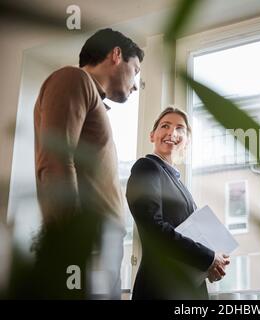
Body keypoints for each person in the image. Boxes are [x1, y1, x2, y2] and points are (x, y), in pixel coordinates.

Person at [33, 28, 144, 299]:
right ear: (116, 55)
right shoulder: (74, 78)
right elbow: (56, 162)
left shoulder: (92, 97)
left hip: (99, 242)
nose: (135, 84)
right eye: (136, 70)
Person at [126, 107, 230, 300]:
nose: (172, 133)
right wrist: (207, 257)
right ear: (152, 135)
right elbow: (153, 228)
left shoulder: (179, 183)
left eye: (180, 128)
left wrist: (212, 264)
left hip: (186, 287)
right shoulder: (146, 168)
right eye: (165, 126)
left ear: (187, 141)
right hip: (160, 288)